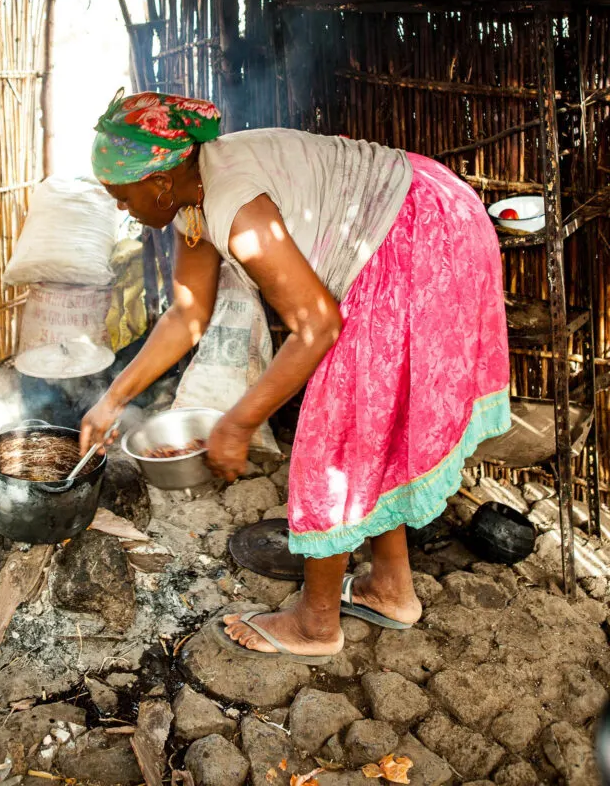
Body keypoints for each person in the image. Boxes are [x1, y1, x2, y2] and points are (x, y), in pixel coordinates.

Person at [81, 89, 510, 662]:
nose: (121, 209)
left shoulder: (233, 199)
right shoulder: (193, 196)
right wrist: (113, 398)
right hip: (426, 209)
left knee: (334, 428)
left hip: (420, 229)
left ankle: (315, 623)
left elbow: (316, 325)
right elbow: (188, 313)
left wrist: (240, 420)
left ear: (158, 178)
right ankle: (389, 588)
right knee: (369, 421)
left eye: (121, 195)